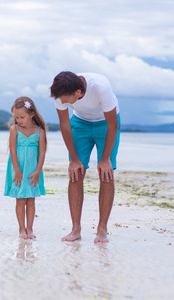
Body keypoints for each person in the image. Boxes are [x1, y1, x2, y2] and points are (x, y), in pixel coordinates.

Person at [50, 71, 120, 243]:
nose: (63, 102)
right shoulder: (61, 91)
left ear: (79, 93)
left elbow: (113, 125)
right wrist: (74, 159)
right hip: (79, 124)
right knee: (76, 173)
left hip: (106, 125)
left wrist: (105, 159)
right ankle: (75, 229)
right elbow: (65, 124)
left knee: (106, 173)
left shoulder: (101, 87)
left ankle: (102, 229)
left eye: (67, 99)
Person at [4, 96, 47, 239]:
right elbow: (13, 151)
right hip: (18, 170)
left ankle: (30, 229)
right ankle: (22, 229)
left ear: (31, 114)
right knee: (20, 199)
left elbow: (42, 153)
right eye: (16, 117)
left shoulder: (39, 131)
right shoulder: (14, 130)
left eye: (22, 117)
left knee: (31, 200)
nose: (18, 120)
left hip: (33, 171)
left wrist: (37, 172)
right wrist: (16, 170)